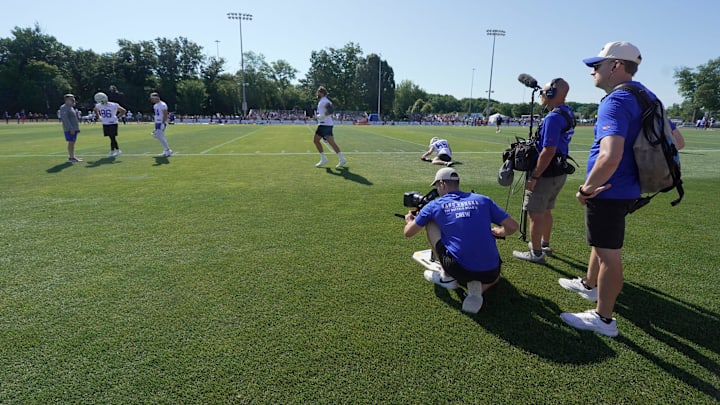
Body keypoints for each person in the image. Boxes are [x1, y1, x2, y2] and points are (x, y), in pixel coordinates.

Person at [558, 41, 654, 337]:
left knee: (609, 253)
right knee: (601, 243)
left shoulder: (616, 101)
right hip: (629, 188)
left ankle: (604, 319)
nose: (592, 73)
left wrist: (587, 188)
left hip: (609, 190)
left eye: (596, 66)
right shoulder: (647, 96)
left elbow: (609, 155)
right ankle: (591, 285)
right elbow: (677, 141)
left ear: (615, 66)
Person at [403, 168, 519, 313]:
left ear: (442, 184)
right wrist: (499, 231)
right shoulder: (483, 199)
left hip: (459, 269)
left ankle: (447, 277)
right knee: (493, 276)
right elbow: (513, 226)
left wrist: (409, 221)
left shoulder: (434, 205)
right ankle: (478, 290)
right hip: (491, 272)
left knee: (431, 223)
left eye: (437, 187)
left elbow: (408, 233)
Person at [513, 78, 575, 263]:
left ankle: (536, 253)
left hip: (546, 173)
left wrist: (534, 176)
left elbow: (548, 150)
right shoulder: (567, 113)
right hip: (559, 171)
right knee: (546, 210)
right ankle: (544, 244)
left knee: (535, 213)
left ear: (551, 94)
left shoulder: (553, 118)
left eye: (544, 92)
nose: (541, 95)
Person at [313, 86, 347, 168]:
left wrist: (322, 116)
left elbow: (331, 110)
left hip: (324, 124)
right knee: (331, 142)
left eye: (318, 92)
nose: (317, 93)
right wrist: (319, 116)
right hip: (326, 124)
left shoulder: (325, 101)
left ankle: (324, 158)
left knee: (316, 140)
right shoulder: (323, 101)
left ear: (321, 93)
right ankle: (341, 158)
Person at [93, 92, 127, 156]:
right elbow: (95, 110)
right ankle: (115, 150)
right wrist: (98, 116)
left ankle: (115, 150)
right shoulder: (99, 105)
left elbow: (123, 111)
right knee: (111, 137)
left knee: (112, 137)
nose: (101, 102)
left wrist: (117, 117)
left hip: (112, 122)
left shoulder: (113, 105)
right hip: (105, 123)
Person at [59, 94, 82, 163]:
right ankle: (71, 157)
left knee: (73, 143)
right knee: (71, 143)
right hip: (70, 129)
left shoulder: (70, 107)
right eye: (71, 99)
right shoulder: (64, 107)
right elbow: (65, 119)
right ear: (66, 100)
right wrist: (70, 128)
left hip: (74, 128)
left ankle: (72, 156)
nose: (73, 100)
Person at [150, 92, 173, 157]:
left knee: (161, 137)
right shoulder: (155, 105)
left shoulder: (162, 104)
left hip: (161, 122)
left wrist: (163, 123)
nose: (152, 100)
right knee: (158, 136)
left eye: (152, 98)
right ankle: (167, 150)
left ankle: (168, 150)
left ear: (156, 98)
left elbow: (165, 114)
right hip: (157, 122)